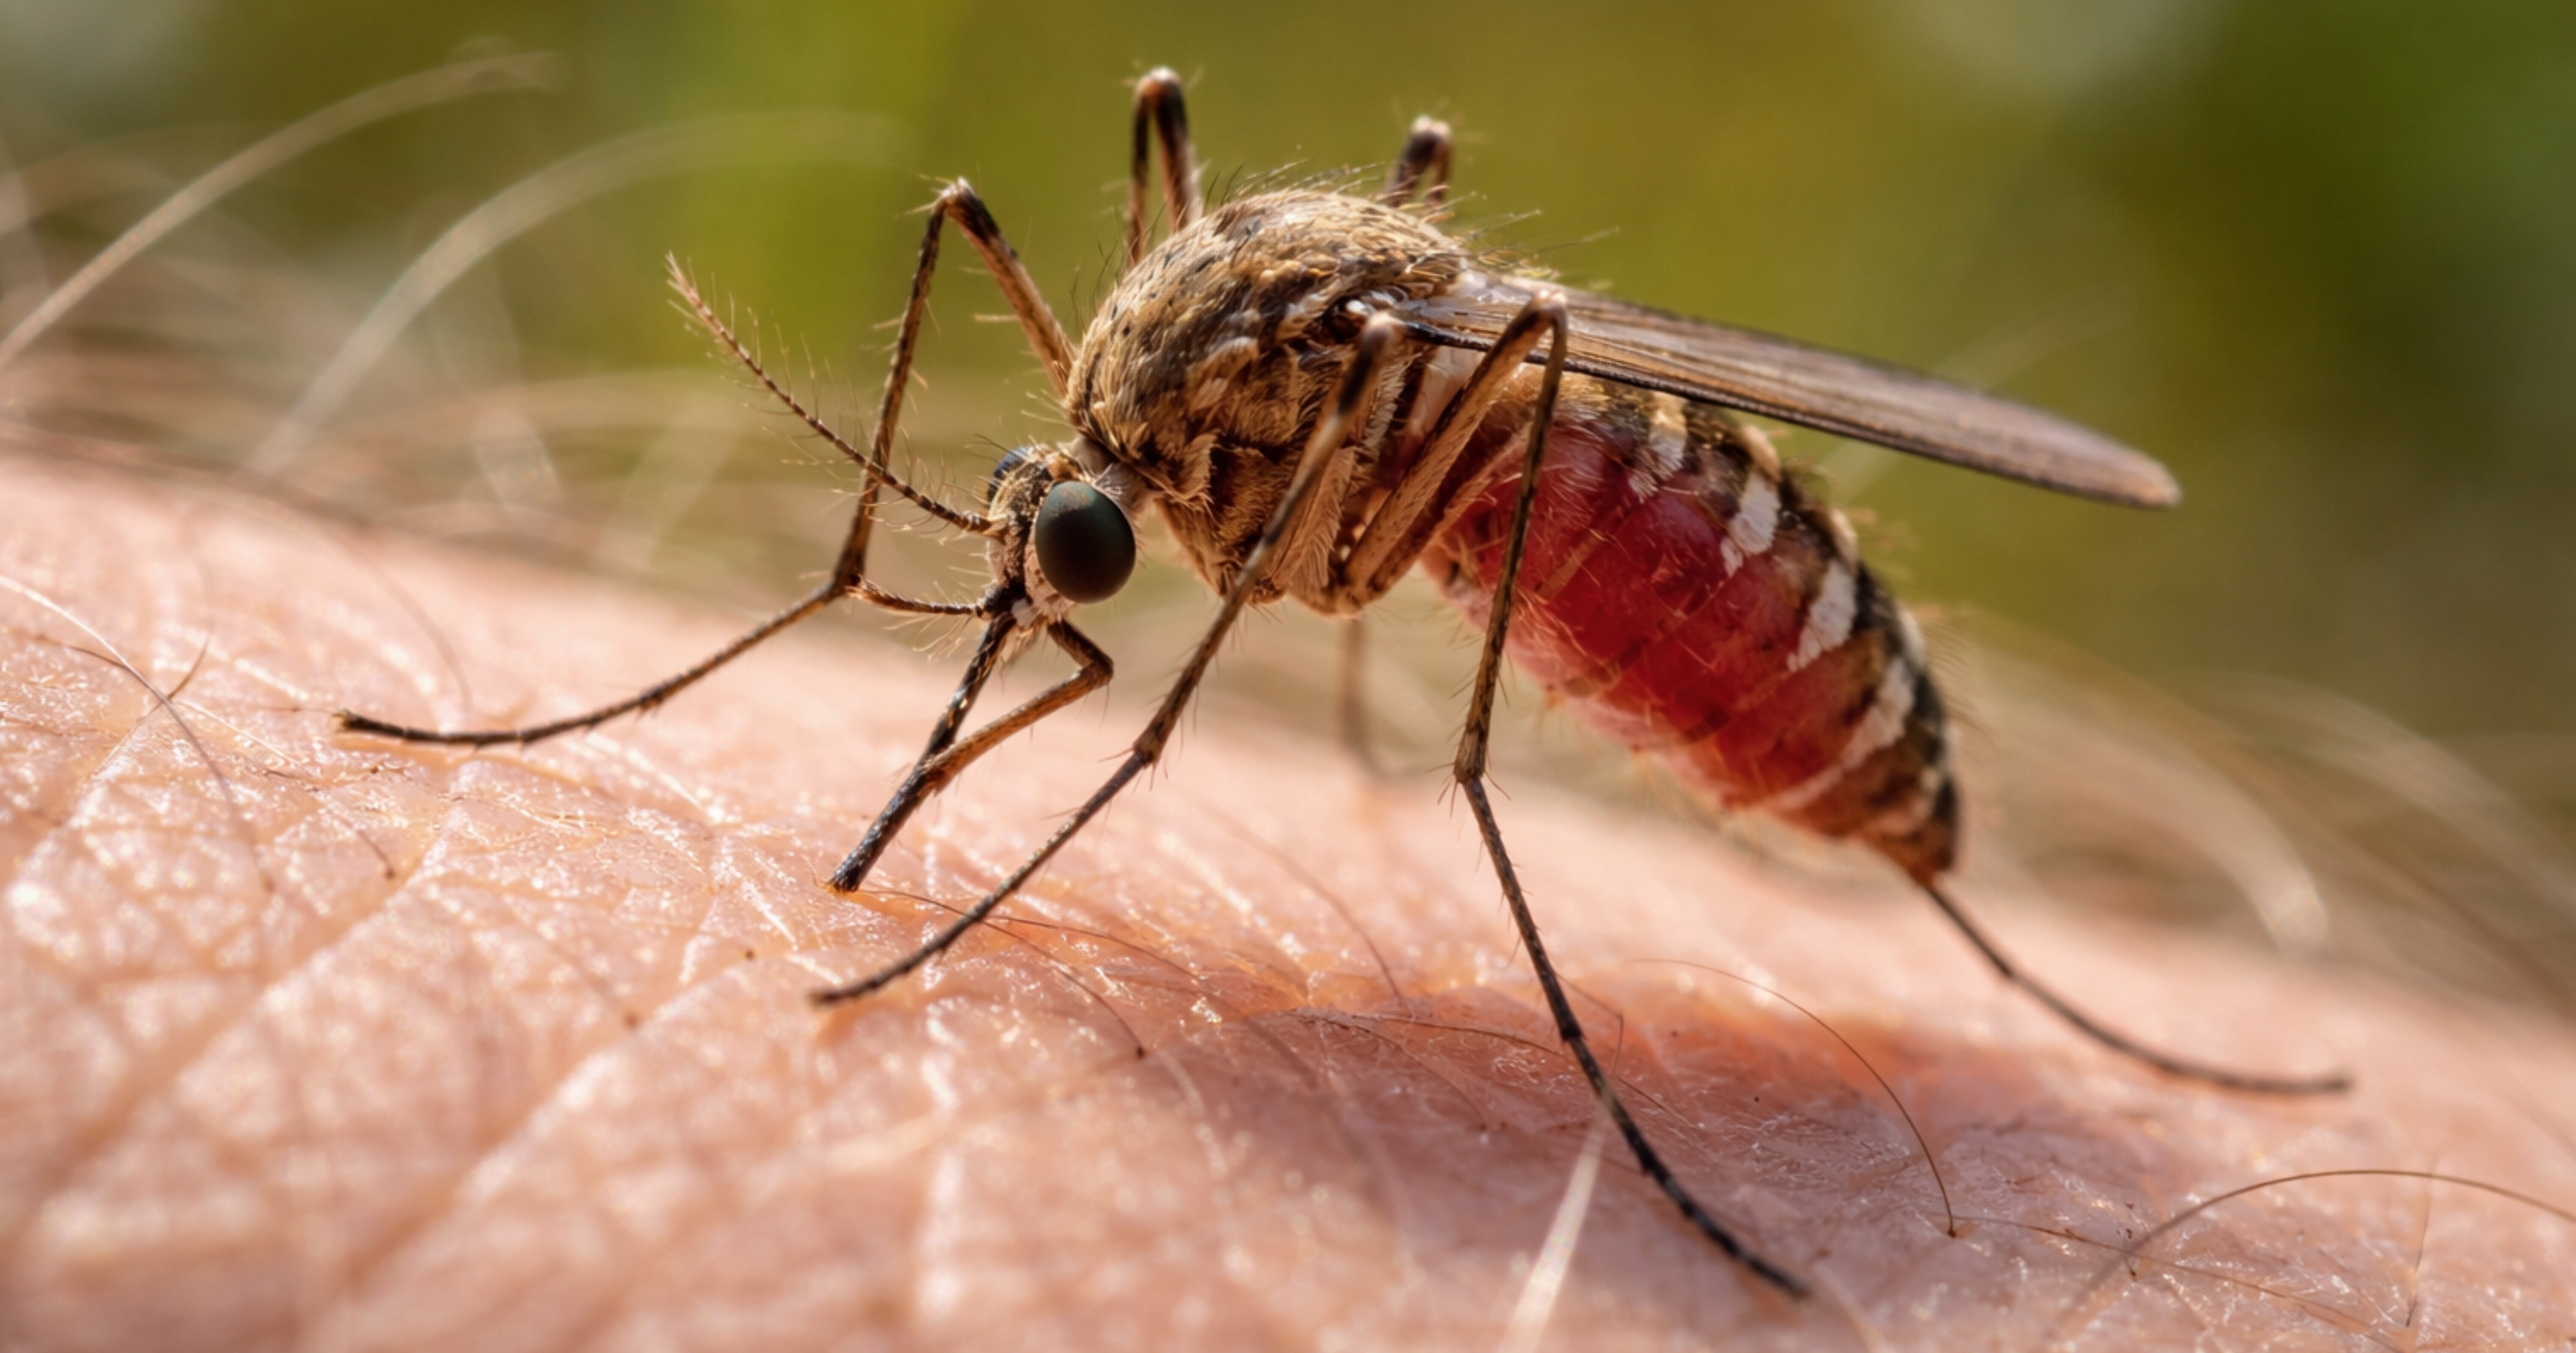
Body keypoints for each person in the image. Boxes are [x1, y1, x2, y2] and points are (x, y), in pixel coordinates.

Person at [3, 453, 2570, 1350]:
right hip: (1493, 461)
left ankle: (1914, 950)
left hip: (1702, 571)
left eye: (1082, 550)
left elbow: (1253, 562)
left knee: (1435, 591)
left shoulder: (1252, 454)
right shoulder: (1146, 439)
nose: (1083, 580)